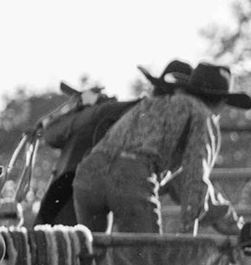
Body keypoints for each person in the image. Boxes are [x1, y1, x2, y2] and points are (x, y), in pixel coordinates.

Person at [70, 60, 250, 235]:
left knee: (92, 247)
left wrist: (224, 217)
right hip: (131, 176)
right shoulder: (202, 115)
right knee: (145, 252)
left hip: (88, 173)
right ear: (222, 102)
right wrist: (188, 233)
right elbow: (194, 176)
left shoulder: (152, 104)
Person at [34, 62, 188, 225]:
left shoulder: (114, 110)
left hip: (75, 194)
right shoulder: (115, 110)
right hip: (67, 198)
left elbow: (51, 133)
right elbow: (52, 134)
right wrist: (83, 106)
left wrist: (85, 106)